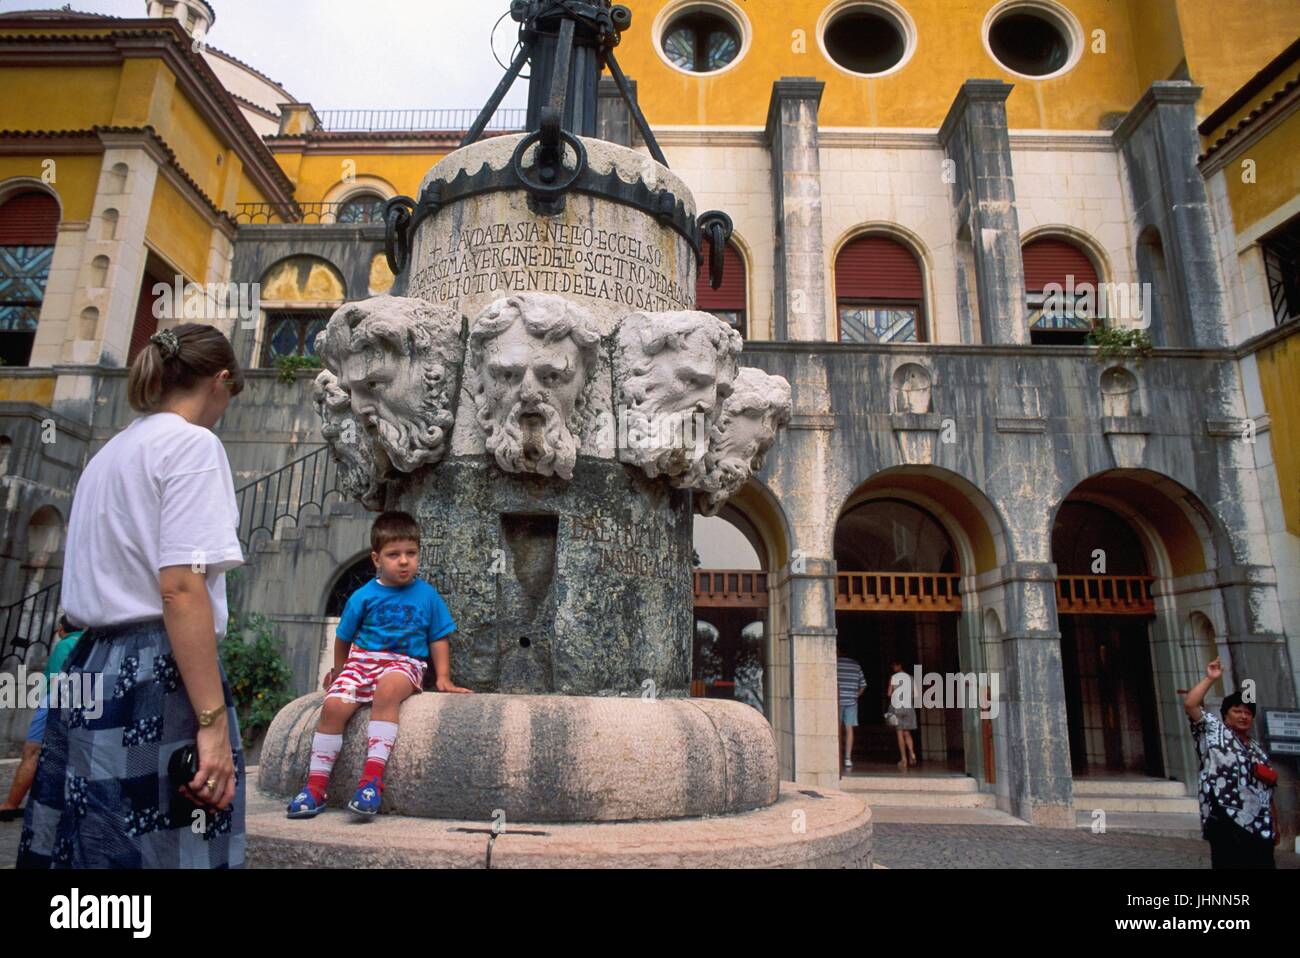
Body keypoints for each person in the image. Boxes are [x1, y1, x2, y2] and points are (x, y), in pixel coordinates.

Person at [17, 324, 246, 869]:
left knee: (88, 842)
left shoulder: (109, 453)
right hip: (155, 670)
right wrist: (211, 724)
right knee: (172, 842)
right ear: (219, 381)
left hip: (89, 661)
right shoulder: (193, 444)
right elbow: (182, 586)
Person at [287, 511, 471, 819]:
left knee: (387, 691)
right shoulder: (363, 596)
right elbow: (343, 637)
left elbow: (439, 638)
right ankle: (315, 787)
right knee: (333, 705)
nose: (403, 561)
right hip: (361, 662)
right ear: (376, 559)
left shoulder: (427, 595)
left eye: (411, 554)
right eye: (393, 554)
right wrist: (339, 671)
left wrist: (443, 677)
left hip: (405, 663)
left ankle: (371, 782)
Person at [1183, 656, 1279, 869]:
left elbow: (1268, 790)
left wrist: (1275, 823)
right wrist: (1210, 678)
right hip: (1225, 818)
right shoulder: (1214, 731)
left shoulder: (1257, 750)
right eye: (1237, 711)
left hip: (1260, 825)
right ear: (1225, 716)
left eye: (1247, 713)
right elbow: (1190, 704)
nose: (1243, 716)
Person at [0, 616, 82, 821]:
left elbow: (56, 681)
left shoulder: (65, 644)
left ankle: (10, 805)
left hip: (55, 701)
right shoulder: (89, 643)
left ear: (61, 629)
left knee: (32, 752)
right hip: (85, 701)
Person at [886, 660, 919, 771]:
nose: (893, 667)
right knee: (907, 732)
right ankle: (912, 752)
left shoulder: (893, 678)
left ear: (899, 665)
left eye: (894, 665)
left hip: (897, 707)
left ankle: (904, 759)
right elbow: (915, 694)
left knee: (899, 733)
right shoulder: (911, 678)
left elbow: (889, 693)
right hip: (909, 707)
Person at [836, 654, 867, 770]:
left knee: (837, 729)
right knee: (849, 729)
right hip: (851, 701)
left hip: (837, 701)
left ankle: (837, 756)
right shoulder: (856, 665)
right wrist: (855, 695)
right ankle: (848, 758)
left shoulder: (835, 663)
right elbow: (863, 685)